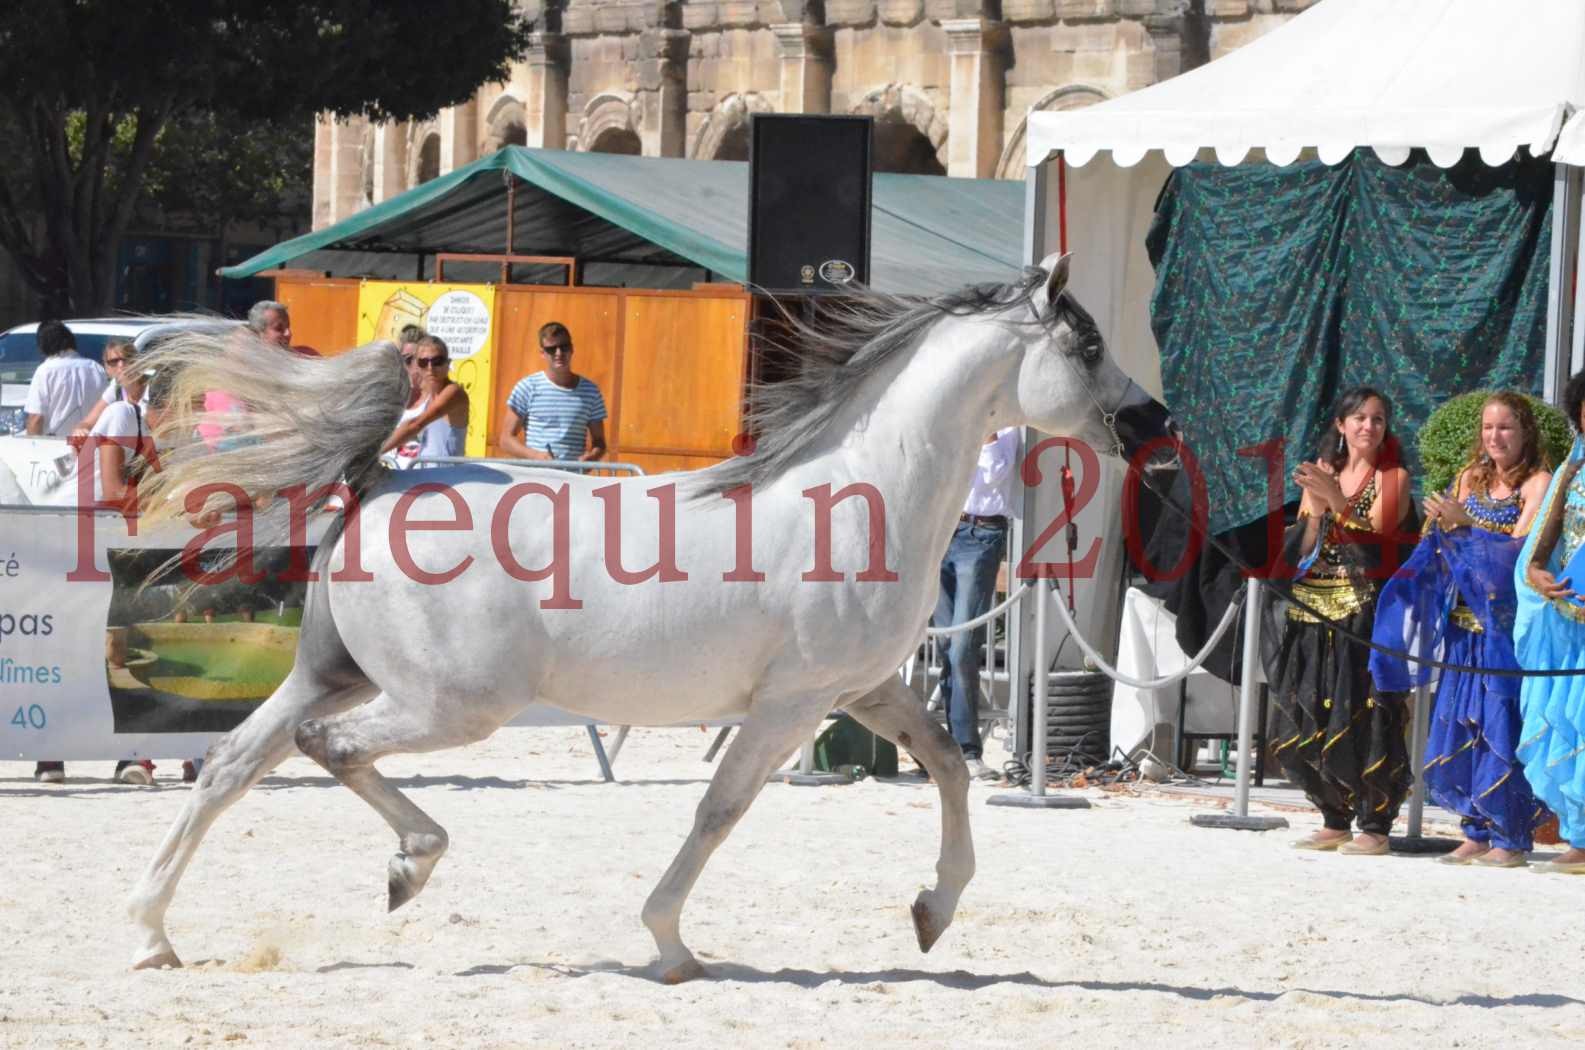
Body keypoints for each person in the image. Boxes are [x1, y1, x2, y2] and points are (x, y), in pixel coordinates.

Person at [1371, 392, 1551, 867]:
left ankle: (1509, 836)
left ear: (1525, 431)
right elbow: (1444, 544)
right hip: (1461, 627)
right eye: (1489, 428)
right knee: (1459, 723)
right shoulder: (1470, 477)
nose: (1495, 437)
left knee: (1498, 726)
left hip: (1503, 632)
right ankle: (1474, 828)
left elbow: (1519, 553)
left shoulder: (1537, 482)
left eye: (1506, 428)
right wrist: (1440, 532)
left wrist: (1465, 524)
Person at [34, 366, 196, 785]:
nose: (198, 415)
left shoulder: (182, 437)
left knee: (121, 644)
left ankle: (134, 757)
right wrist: (178, 504)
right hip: (70, 537)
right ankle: (50, 754)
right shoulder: (126, 417)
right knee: (72, 649)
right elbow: (111, 489)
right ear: (169, 404)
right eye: (192, 405)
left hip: (120, 541)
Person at [1272, 386, 1414, 855]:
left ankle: (1375, 825)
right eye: (1359, 418)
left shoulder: (1393, 477)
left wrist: (1335, 498)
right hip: (1314, 608)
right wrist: (1313, 508)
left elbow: (1380, 544)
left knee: (1366, 715)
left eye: (1377, 418)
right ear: (1341, 425)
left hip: (1365, 612)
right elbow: (1305, 543)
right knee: (1312, 710)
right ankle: (1334, 815)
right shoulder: (1325, 472)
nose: (1368, 427)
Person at [1515, 371, 1585, 874]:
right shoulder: (1572, 471)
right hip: (1573, 621)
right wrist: (1538, 577)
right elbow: (1538, 553)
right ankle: (1581, 837)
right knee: (1573, 722)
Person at [931, 428, 1020, 781]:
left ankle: (967, 748)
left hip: (982, 532)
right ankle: (949, 748)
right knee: (945, 643)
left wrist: (987, 434)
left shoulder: (1009, 429)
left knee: (963, 645)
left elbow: (994, 474)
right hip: (944, 529)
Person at [499, 322, 607, 462]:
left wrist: (592, 457)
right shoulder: (527, 387)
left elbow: (600, 442)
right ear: (542, 353)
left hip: (574, 479)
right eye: (551, 349)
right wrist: (536, 456)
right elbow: (506, 440)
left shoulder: (591, 391)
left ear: (572, 349)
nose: (559, 353)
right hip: (538, 479)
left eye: (564, 347)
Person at [382, 334, 469, 463]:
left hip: (449, 478)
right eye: (423, 362)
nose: (430, 368)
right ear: (417, 366)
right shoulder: (426, 397)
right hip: (428, 477)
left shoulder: (453, 392)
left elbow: (416, 424)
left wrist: (375, 453)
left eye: (437, 361)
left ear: (448, 363)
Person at [23, 320, 108, 436]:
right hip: (92, 444)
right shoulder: (97, 368)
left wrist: (31, 447)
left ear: (43, 345)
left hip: (56, 447)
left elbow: (36, 418)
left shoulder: (45, 371)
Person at [70, 337, 146, 439]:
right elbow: (87, 422)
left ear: (138, 361)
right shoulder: (116, 388)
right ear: (107, 369)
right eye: (114, 361)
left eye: (128, 358)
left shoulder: (153, 386)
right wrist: (81, 430)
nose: (121, 365)